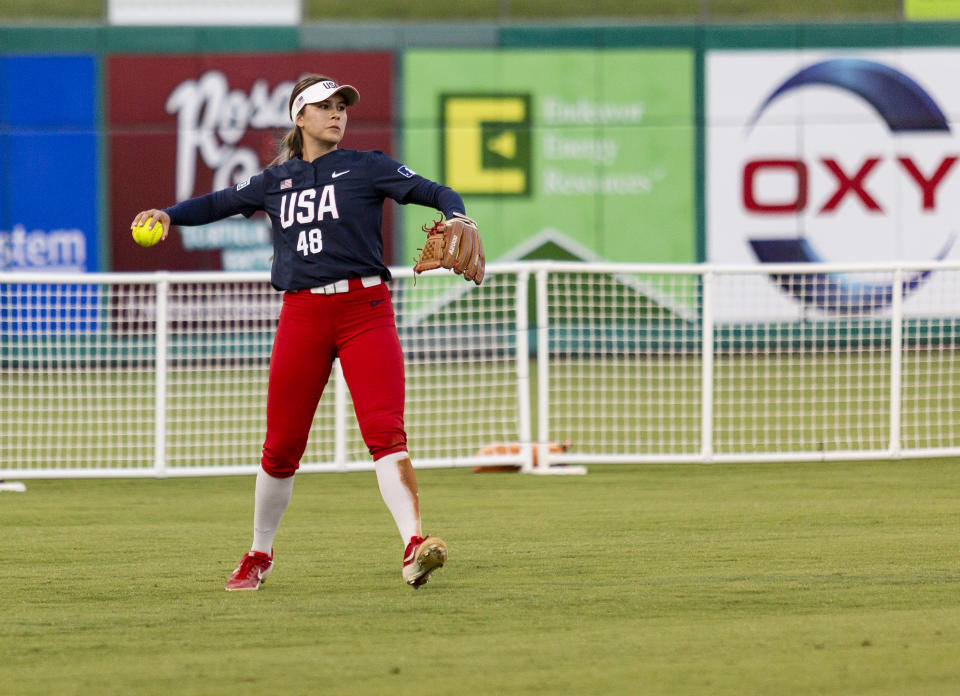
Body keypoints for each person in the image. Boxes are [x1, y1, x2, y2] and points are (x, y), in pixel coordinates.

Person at [131, 74, 485, 591]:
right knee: (281, 447)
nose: (337, 112)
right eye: (324, 105)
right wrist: (169, 214)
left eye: (342, 105)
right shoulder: (275, 180)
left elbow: (434, 190)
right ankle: (258, 554)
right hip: (303, 316)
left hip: (366, 310)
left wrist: (456, 213)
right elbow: (217, 204)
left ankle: (414, 545)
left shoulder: (369, 166)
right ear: (300, 117)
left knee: (386, 432)